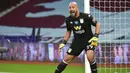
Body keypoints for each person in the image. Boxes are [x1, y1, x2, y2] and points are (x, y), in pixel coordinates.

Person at [54, 2, 100, 73]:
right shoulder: (68, 20)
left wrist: (96, 36)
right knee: (66, 59)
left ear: (77, 8)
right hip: (77, 42)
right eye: (70, 8)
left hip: (88, 40)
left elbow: (97, 24)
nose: (71, 9)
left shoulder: (86, 17)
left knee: (90, 56)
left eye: (73, 7)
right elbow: (68, 32)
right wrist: (64, 42)